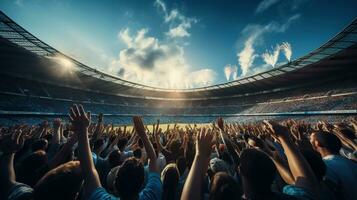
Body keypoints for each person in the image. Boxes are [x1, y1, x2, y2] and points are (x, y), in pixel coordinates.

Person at [69, 104, 162, 200]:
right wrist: (143, 133)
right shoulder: (152, 194)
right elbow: (153, 160)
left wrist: (82, 131)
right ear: (143, 183)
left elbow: (88, 170)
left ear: (115, 183)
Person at [310, 131, 357, 200]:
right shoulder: (351, 162)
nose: (310, 141)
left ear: (317, 143)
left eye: (311, 139)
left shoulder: (326, 166)